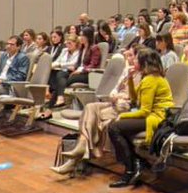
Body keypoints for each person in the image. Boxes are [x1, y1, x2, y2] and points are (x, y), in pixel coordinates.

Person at [53, 46, 140, 174]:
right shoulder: (127, 71)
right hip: (115, 102)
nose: (129, 59)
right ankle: (83, 147)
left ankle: (76, 156)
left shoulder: (144, 75)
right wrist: (113, 94)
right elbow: (115, 88)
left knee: (95, 116)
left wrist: (121, 96)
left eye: (132, 56)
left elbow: (136, 98)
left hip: (127, 107)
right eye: (128, 56)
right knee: (90, 107)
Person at [107, 48, 174, 188]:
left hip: (157, 117)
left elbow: (144, 111)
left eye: (137, 59)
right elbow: (135, 98)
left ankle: (130, 169)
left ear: (144, 63)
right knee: (118, 127)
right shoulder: (149, 78)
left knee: (114, 127)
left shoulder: (151, 80)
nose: (133, 61)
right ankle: (137, 162)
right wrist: (130, 79)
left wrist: (122, 116)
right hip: (152, 114)